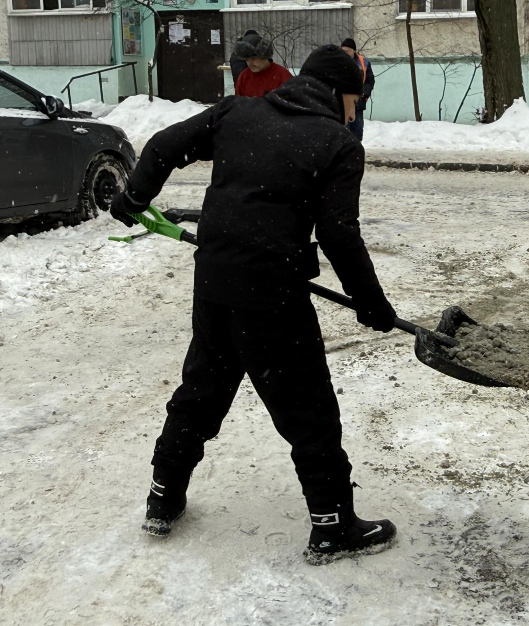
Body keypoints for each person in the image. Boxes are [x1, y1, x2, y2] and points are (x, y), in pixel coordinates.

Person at [109, 45, 398, 565]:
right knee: (308, 411)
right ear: (338, 93)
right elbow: (339, 235)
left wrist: (133, 198)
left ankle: (163, 497)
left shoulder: (236, 112)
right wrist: (372, 304)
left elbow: (162, 146)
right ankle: (333, 526)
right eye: (356, 100)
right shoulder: (336, 143)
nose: (356, 111)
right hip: (273, 297)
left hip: (215, 284)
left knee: (201, 393)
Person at [230, 30, 292, 98]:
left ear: (264, 55)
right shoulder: (244, 77)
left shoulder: (283, 76)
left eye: (253, 58)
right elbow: (238, 102)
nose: (250, 63)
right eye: (247, 59)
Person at [340, 38, 374, 141]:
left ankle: (356, 149)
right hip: (342, 104)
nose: (344, 53)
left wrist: (364, 94)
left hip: (358, 103)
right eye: (342, 50)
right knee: (344, 132)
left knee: (357, 131)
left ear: (353, 51)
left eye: (347, 51)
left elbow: (370, 81)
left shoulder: (364, 63)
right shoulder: (337, 62)